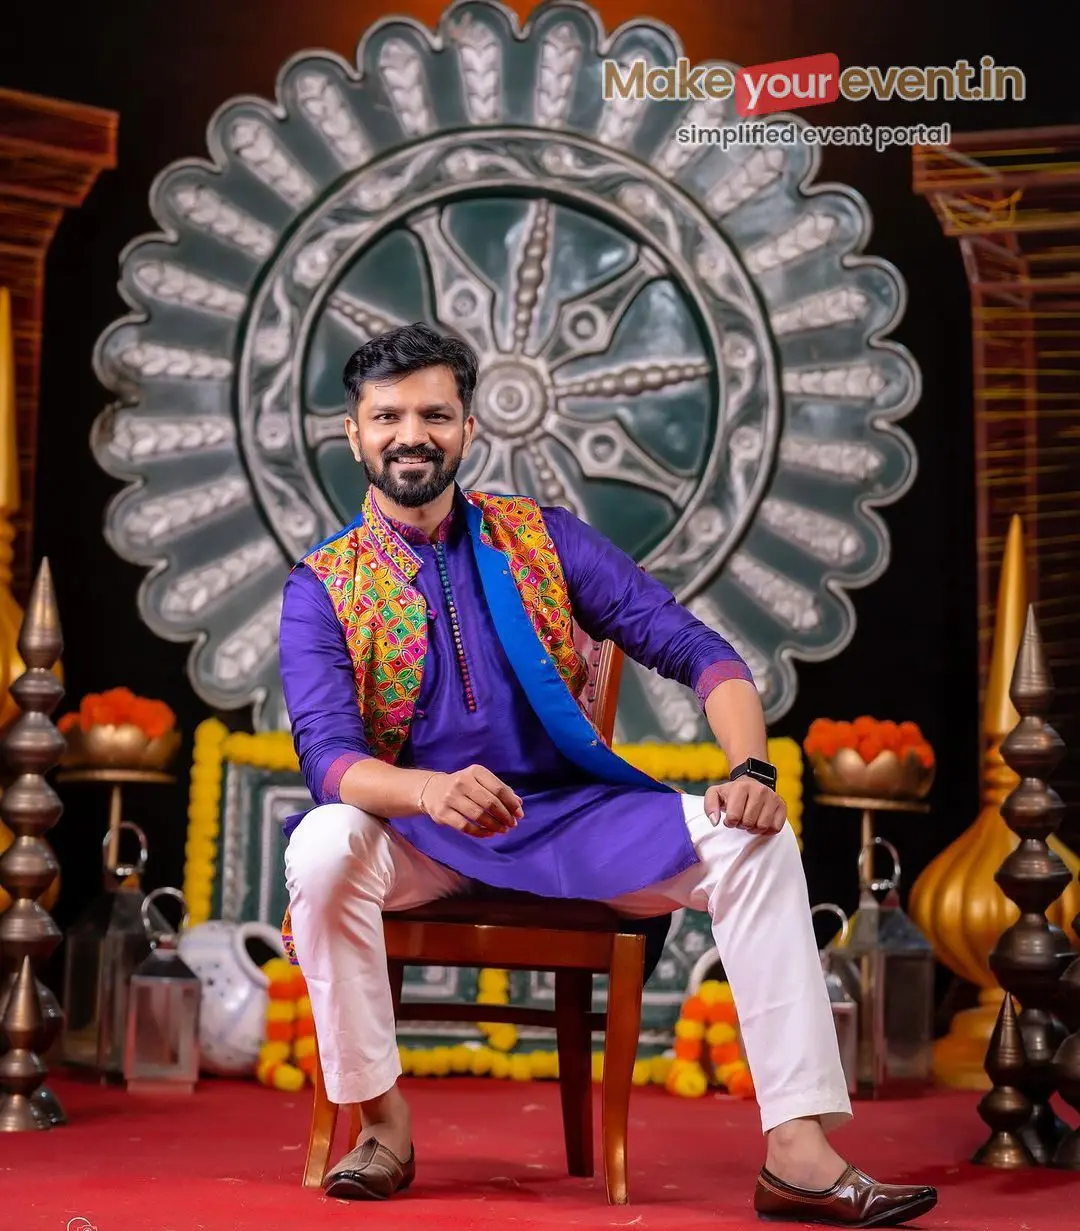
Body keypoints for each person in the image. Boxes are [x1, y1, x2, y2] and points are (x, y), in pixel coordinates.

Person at [278, 322, 938, 1226]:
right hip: (416, 836)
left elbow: (697, 649)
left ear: (468, 427)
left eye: (434, 413)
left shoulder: (540, 538)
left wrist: (750, 768)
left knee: (755, 841)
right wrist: (429, 790)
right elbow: (329, 759)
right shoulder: (324, 584)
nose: (411, 434)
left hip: (569, 820)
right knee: (322, 846)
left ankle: (799, 1152)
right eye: (387, 416)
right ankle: (383, 1124)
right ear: (354, 434)